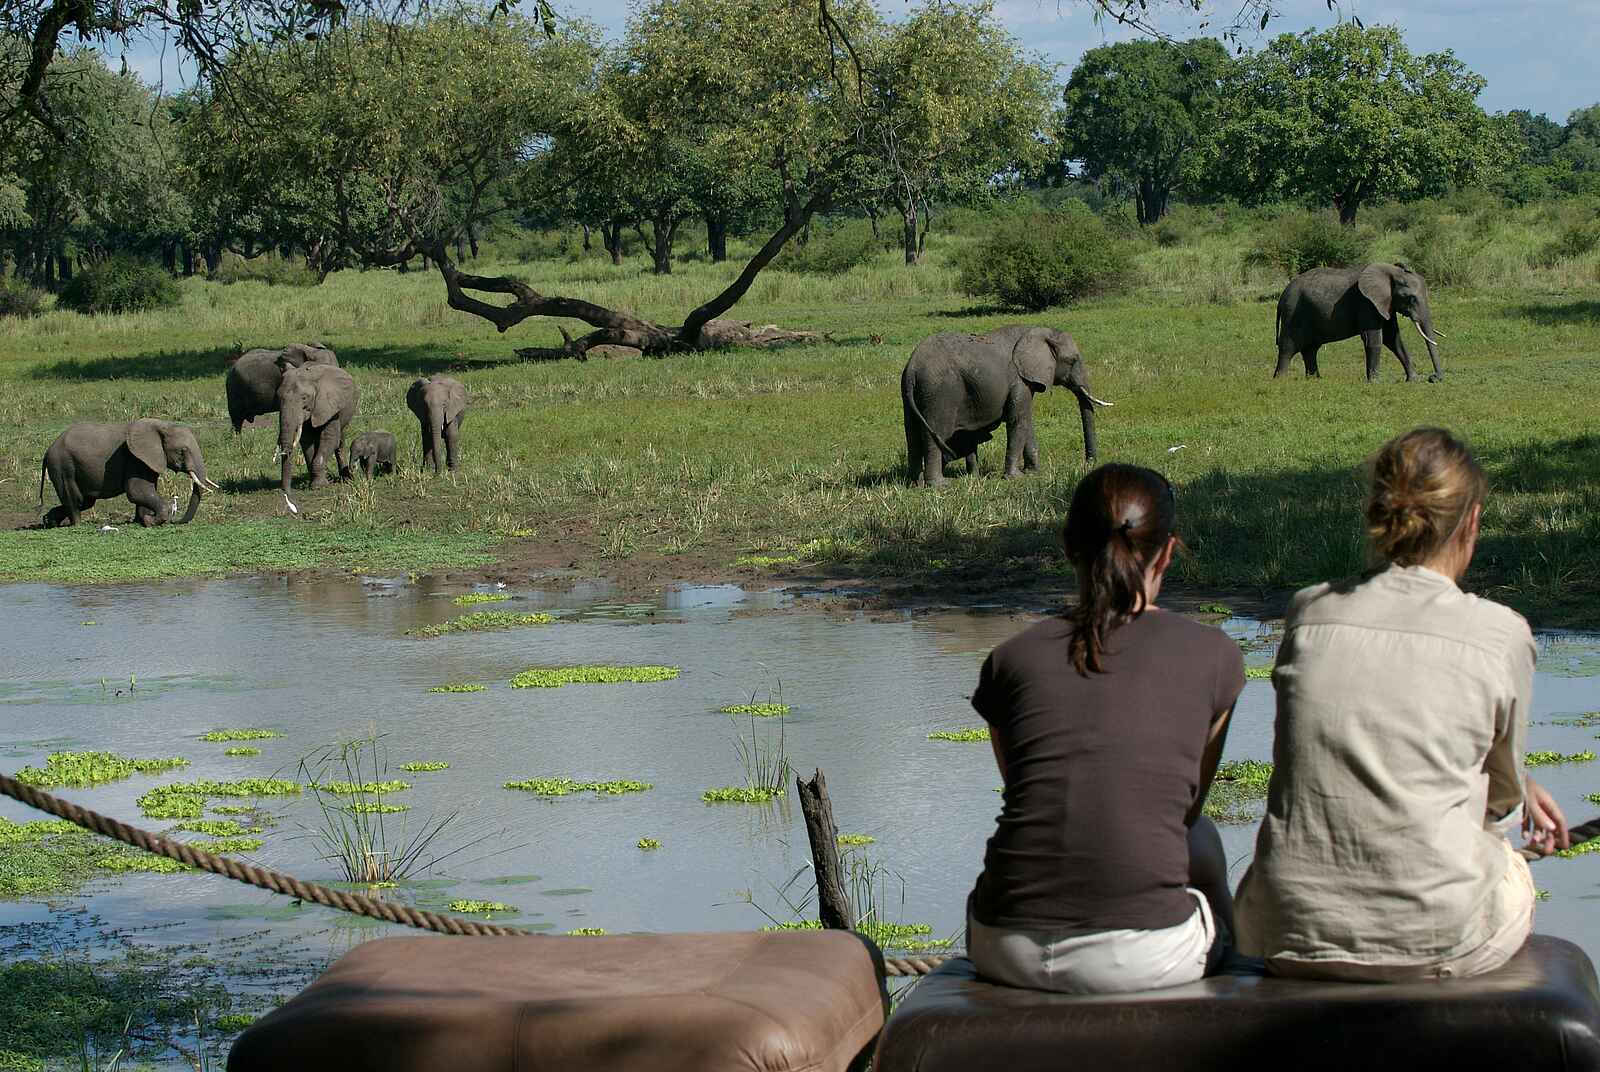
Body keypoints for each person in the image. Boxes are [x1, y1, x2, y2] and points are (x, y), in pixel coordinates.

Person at [1234, 427, 1570, 982]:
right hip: (1436, 940)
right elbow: (1499, 809)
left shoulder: (1309, 612)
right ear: (1472, 522)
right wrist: (1515, 791)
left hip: (1287, 928)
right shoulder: (1500, 633)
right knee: (1507, 867)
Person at [966, 463, 1245, 994]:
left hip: (1004, 944)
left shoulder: (1009, 660)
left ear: (1068, 548)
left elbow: (1035, 793)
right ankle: (1234, 995)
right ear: (1167, 552)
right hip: (1143, 956)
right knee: (1202, 837)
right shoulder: (1215, 656)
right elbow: (1185, 811)